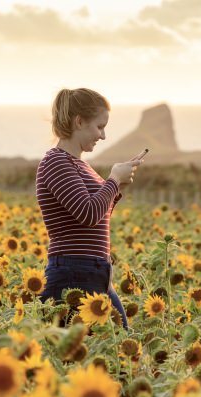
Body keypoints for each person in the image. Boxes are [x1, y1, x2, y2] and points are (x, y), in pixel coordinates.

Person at [36, 88, 143, 328]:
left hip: (96, 271)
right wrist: (113, 180)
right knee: (90, 355)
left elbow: (98, 217)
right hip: (73, 272)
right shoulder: (56, 162)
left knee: (119, 351)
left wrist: (116, 188)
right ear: (79, 121)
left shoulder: (80, 165)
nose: (103, 136)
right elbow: (89, 214)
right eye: (99, 127)